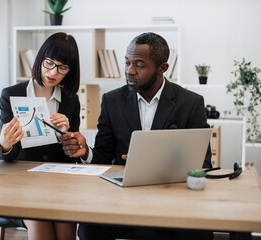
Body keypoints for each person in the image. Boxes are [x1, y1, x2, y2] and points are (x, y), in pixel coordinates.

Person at [60, 32, 213, 240]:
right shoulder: (112, 101)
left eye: (139, 65)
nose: (129, 71)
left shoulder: (191, 103)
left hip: (173, 200)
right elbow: (104, 155)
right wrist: (86, 151)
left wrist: (151, 164)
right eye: (127, 63)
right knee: (88, 228)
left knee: (198, 232)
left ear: (162, 68)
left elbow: (202, 164)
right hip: (122, 199)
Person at [0, 32, 80, 240]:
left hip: (58, 184)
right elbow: (7, 155)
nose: (53, 72)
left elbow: (73, 157)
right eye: (49, 63)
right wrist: (4, 144)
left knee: (65, 216)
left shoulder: (70, 100)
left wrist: (66, 136)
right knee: (39, 215)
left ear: (70, 71)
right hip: (22, 184)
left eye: (62, 67)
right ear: (40, 59)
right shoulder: (11, 94)